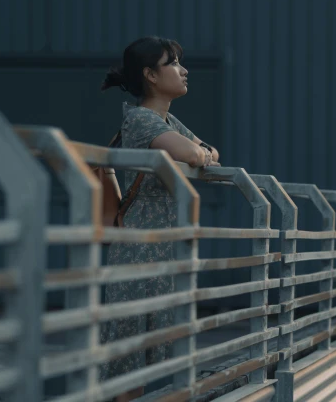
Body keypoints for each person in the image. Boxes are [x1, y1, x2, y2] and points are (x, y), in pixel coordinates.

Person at [98, 36, 219, 401]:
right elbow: (196, 155)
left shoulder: (166, 119)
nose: (184, 71)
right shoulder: (139, 119)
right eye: (173, 63)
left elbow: (212, 150)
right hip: (137, 251)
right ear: (150, 74)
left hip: (160, 252)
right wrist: (201, 153)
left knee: (153, 355)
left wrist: (202, 152)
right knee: (129, 358)